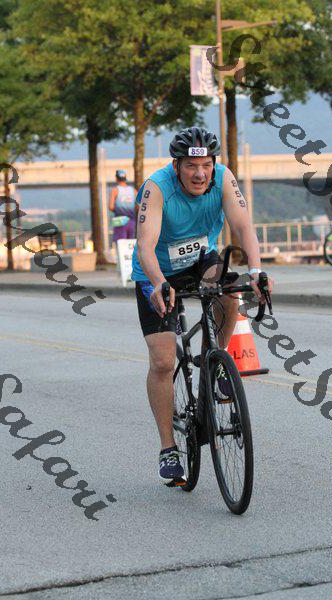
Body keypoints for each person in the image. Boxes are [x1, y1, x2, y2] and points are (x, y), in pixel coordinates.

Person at [131, 126, 273, 487]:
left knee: (228, 288)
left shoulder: (224, 178)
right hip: (157, 270)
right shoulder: (157, 187)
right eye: (192, 166)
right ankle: (168, 448)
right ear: (176, 166)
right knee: (163, 361)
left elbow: (243, 225)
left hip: (199, 260)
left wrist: (257, 272)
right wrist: (159, 283)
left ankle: (216, 362)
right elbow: (145, 246)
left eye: (206, 165)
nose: (200, 174)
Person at [109, 169, 137, 244]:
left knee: (120, 244)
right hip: (131, 221)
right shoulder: (133, 190)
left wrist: (118, 210)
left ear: (116, 178)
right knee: (130, 244)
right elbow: (139, 205)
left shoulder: (115, 190)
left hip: (119, 220)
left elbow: (111, 207)